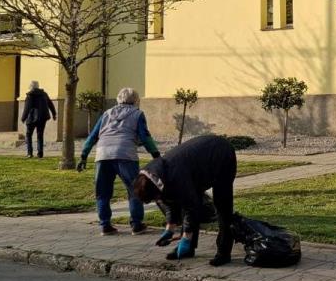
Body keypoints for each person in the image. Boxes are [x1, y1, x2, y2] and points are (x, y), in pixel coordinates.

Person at [133, 134, 237, 267]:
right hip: (196, 166)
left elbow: (190, 207)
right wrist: (169, 228)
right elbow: (169, 201)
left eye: (154, 198)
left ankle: (224, 252)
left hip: (220, 154)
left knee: (222, 205)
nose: (156, 200)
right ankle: (189, 249)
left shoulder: (175, 177)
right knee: (187, 201)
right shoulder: (150, 177)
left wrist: (186, 238)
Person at [76, 88, 161, 235]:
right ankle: (136, 224)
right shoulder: (138, 114)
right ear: (136, 100)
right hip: (126, 154)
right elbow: (145, 136)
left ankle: (105, 225)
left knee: (102, 192)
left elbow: (93, 136)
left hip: (103, 154)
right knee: (134, 190)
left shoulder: (106, 114)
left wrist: (83, 156)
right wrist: (156, 154)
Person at [19, 80, 56, 159]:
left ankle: (30, 153)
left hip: (32, 118)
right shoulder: (44, 94)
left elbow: (27, 108)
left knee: (29, 135)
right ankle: (40, 153)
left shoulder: (30, 95)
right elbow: (50, 104)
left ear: (31, 87)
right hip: (42, 118)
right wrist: (54, 114)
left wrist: (23, 118)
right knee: (40, 135)